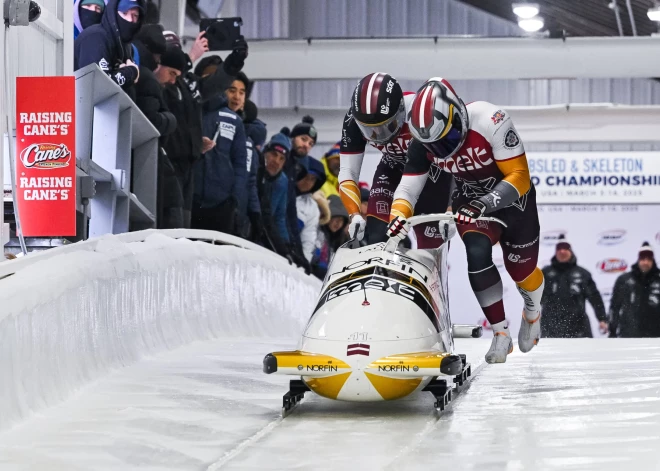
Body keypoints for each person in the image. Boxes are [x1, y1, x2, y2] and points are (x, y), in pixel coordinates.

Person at [386, 77, 544, 364]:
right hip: (469, 201)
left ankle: (532, 312)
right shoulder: (421, 141)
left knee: (521, 271)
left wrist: (485, 202)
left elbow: (520, 177)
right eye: (435, 145)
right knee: (476, 253)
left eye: (446, 139)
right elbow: (409, 188)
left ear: (457, 115)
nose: (443, 149)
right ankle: (500, 334)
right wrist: (398, 215)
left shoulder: (490, 119)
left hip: (513, 202)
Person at [338, 73, 454, 249]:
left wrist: (451, 207)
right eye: (369, 131)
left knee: (429, 249)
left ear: (401, 111)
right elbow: (348, 171)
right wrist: (354, 214)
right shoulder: (352, 121)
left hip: (432, 177)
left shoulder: (421, 112)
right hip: (392, 169)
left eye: (386, 126)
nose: (378, 136)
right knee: (378, 237)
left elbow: (454, 159)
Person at [161, 30, 248, 227]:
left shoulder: (188, 84)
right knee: (169, 230)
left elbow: (214, 85)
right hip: (166, 166)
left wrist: (234, 61)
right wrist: (190, 57)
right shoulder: (160, 81)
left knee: (181, 231)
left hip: (188, 170)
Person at [191, 75, 248, 234]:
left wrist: (234, 198)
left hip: (222, 203)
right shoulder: (194, 112)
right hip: (193, 198)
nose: (236, 96)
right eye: (232, 90)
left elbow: (240, 163)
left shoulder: (234, 120)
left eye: (241, 92)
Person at [74, 0, 145, 98]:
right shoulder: (95, 37)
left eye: (135, 16)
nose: (129, 20)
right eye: (124, 13)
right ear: (113, 13)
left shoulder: (126, 47)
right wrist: (131, 72)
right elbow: (98, 86)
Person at [540, 235, 608, 338]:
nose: (562, 252)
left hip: (578, 328)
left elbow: (595, 298)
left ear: (571, 252)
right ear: (555, 252)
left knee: (583, 354)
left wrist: (602, 319)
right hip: (551, 328)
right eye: (559, 249)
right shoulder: (545, 274)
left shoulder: (582, 274)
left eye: (565, 249)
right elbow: (533, 297)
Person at [283, 117, 318, 273]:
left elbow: (289, 211)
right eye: (303, 139)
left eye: (311, 143)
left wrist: (299, 253)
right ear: (292, 138)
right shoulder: (282, 161)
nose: (306, 145)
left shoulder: (294, 168)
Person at [609, 242, 660, 338]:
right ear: (638, 260)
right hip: (629, 335)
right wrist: (612, 331)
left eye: (649, 259)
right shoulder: (624, 280)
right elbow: (615, 306)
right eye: (643, 259)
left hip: (655, 336)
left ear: (653, 261)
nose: (645, 262)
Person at [258, 131, 292, 258]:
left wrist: (286, 244)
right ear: (265, 153)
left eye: (281, 158)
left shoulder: (282, 181)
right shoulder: (255, 170)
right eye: (273, 154)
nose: (276, 161)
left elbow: (279, 217)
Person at [296, 158, 327, 262]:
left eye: (312, 179)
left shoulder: (312, 207)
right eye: (306, 176)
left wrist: (304, 262)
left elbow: (308, 238)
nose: (308, 182)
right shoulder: (284, 190)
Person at [311, 195, 349, 280]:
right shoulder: (318, 232)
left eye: (342, 220)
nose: (338, 223)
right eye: (336, 218)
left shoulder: (338, 242)